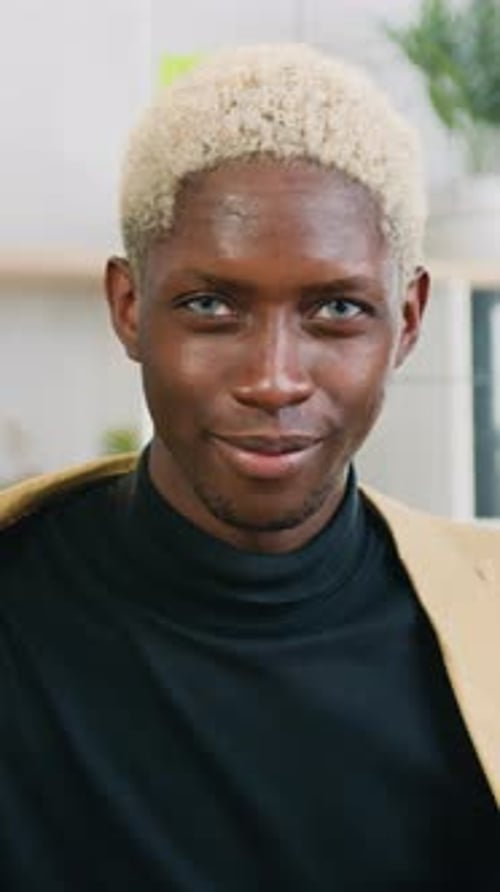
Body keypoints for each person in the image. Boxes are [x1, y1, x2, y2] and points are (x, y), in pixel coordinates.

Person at [0, 43, 498, 891]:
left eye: (337, 309)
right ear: (129, 306)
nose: (273, 380)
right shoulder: (19, 613)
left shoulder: (486, 630)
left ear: (408, 319)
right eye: (211, 306)